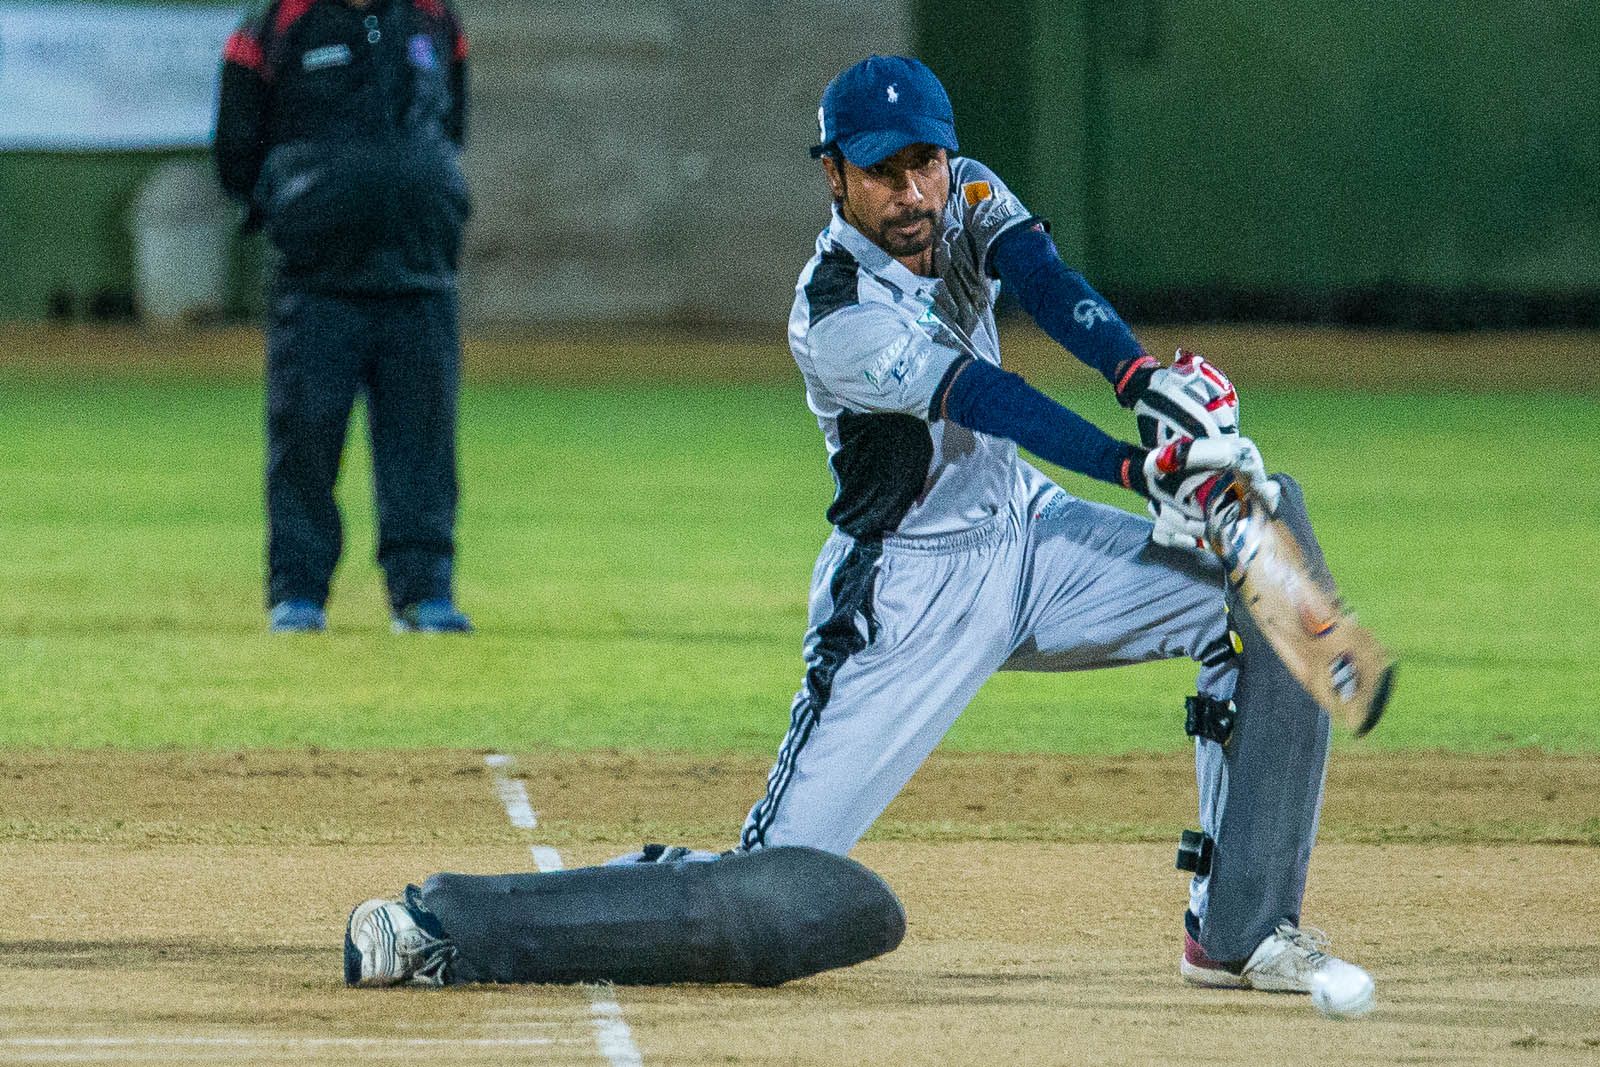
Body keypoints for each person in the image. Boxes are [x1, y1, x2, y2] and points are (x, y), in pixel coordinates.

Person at [341, 56, 1372, 1010]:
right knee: (763, 890)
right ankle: (449, 925)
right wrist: (1136, 467)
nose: (913, 192)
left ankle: (1239, 927)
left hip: (1030, 535)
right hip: (907, 596)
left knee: (1264, 579)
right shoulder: (832, 313)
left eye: (926, 163)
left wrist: (1139, 379)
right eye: (883, 173)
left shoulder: (964, 191)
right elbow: (984, 393)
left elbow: (1044, 278)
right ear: (833, 175)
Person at [214, 0, 474, 633]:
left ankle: (423, 593)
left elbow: (452, 126)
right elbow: (236, 146)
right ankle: (298, 594)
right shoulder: (277, 21)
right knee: (305, 441)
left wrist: (426, 192)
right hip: (317, 283)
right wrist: (295, 207)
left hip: (420, 276)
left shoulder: (435, 18)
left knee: (424, 445)